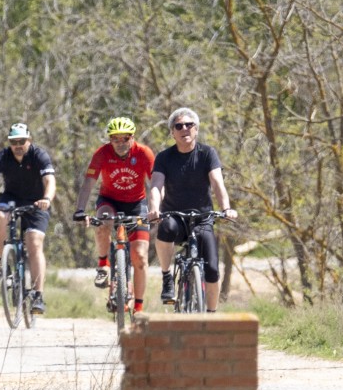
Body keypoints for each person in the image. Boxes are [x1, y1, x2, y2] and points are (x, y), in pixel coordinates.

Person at [149, 107, 238, 311]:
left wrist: (226, 208)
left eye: (189, 125)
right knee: (165, 228)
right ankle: (166, 277)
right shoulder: (164, 157)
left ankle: (211, 315)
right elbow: (156, 186)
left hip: (203, 218)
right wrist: (154, 209)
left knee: (213, 270)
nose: (184, 129)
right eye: (178, 126)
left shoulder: (207, 153)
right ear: (172, 132)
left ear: (196, 129)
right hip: (175, 216)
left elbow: (217, 183)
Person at [73, 116, 155, 314]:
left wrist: (155, 209)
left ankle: (138, 307)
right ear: (109, 140)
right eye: (115, 139)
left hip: (137, 204)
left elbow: (155, 186)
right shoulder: (101, 153)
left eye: (125, 139)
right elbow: (88, 184)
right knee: (103, 221)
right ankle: (103, 265)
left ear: (132, 138)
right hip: (109, 201)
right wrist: (80, 210)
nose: (120, 144)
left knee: (140, 257)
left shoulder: (144, 153)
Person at [0, 122, 56, 315]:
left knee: (34, 243)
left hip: (37, 201)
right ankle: (4, 262)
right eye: (14, 141)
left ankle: (38, 295)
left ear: (29, 140)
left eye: (22, 141)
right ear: (9, 143)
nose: (18, 145)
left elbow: (50, 180)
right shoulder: (2, 156)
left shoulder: (39, 155)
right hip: (11, 199)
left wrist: (47, 199)